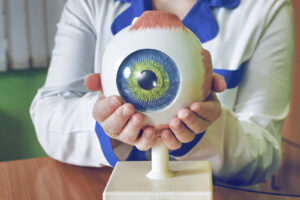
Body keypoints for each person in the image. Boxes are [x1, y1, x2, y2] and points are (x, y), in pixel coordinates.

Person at [30, 0, 294, 186]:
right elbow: (49, 113)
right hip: (94, 187)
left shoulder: (266, 8)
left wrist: (203, 132)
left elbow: (265, 151)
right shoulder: (89, 4)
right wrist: (106, 124)